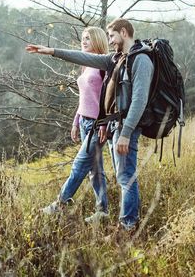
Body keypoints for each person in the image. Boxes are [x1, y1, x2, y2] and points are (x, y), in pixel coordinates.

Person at [27, 19, 153, 231]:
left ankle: (128, 226)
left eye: (112, 36)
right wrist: (51, 51)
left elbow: (140, 100)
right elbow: (84, 57)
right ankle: (110, 215)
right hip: (113, 127)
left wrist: (126, 133)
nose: (110, 41)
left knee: (125, 177)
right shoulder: (117, 59)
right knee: (117, 175)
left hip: (124, 128)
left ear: (124, 32)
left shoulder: (141, 60)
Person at [39, 27, 111, 224]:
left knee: (79, 166)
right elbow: (84, 98)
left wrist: (104, 123)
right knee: (95, 170)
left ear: (97, 40)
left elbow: (108, 99)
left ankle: (60, 204)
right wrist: (75, 121)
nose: (84, 41)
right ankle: (102, 211)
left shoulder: (104, 64)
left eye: (88, 38)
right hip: (85, 121)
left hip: (98, 125)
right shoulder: (86, 65)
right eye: (83, 38)